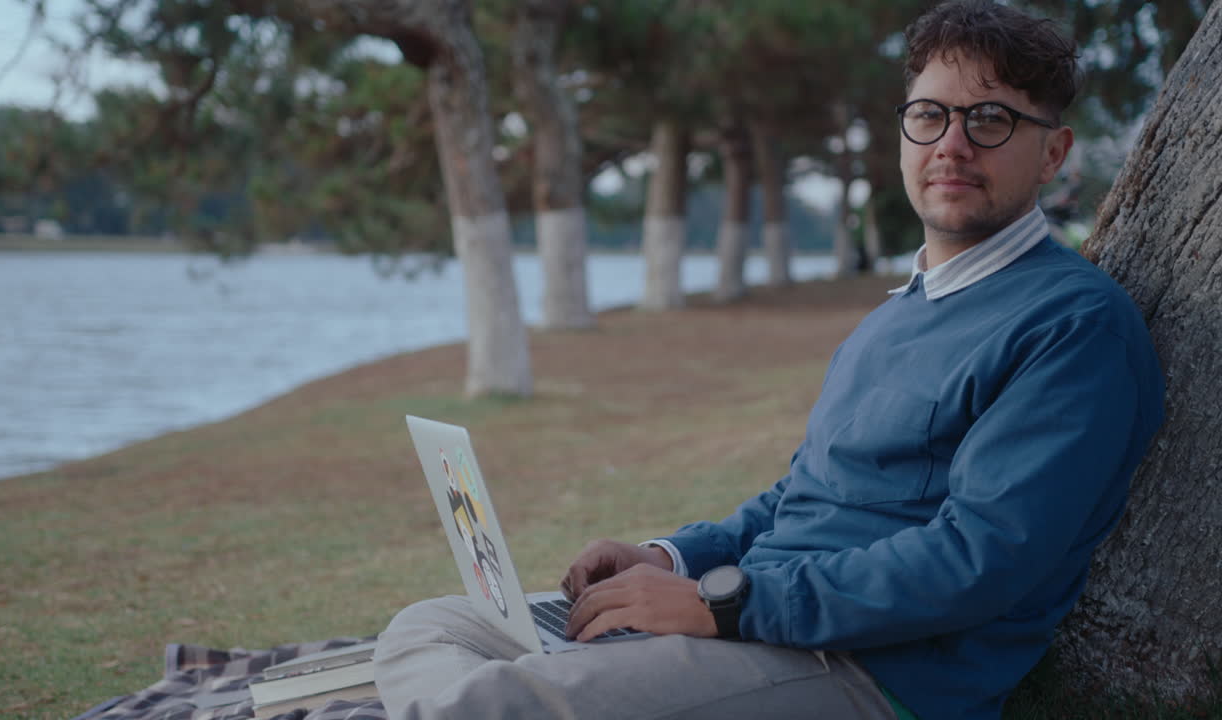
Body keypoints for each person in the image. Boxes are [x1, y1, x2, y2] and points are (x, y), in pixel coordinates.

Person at [373, 2, 1165, 718]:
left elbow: (976, 561)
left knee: (493, 704)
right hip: (751, 626)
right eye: (930, 116)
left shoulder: (1075, 325)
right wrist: (671, 556)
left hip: (868, 673)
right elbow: (803, 496)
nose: (952, 145)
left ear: (1053, 151)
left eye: (990, 120)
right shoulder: (900, 312)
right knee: (434, 625)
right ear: (903, 134)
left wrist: (718, 605)